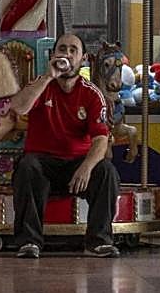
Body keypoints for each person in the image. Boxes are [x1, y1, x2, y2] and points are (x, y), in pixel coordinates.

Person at [9, 32, 121, 258]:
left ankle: (98, 242)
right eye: (62, 49)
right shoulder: (42, 86)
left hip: (77, 164)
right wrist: (47, 77)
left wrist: (87, 167)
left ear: (83, 59)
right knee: (27, 167)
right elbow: (19, 107)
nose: (67, 55)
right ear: (53, 55)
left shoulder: (92, 94)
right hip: (42, 163)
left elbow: (101, 139)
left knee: (107, 171)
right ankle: (29, 242)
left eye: (73, 50)